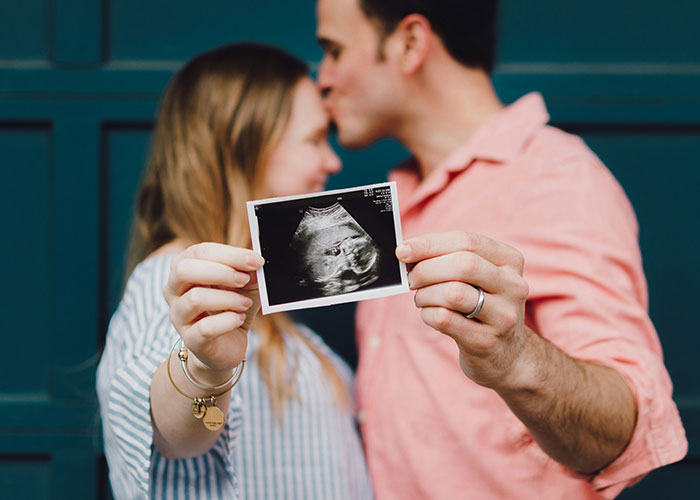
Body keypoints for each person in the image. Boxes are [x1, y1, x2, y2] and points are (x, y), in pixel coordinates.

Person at [315, 0, 687, 498]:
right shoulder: (392, 203)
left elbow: (623, 434)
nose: (323, 78)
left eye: (335, 50)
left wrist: (515, 359)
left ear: (409, 43)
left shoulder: (555, 179)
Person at [96, 42, 373, 500]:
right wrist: (206, 366)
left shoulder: (263, 307)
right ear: (244, 147)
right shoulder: (175, 284)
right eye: (314, 139)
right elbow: (174, 434)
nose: (332, 161)